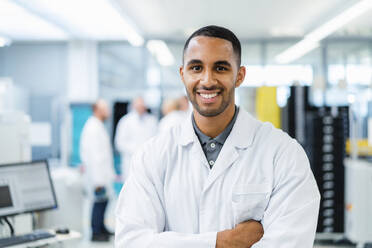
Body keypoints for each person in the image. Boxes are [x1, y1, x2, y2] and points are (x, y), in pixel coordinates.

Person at [115, 25, 320, 248]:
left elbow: (291, 243)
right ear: (183, 74)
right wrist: (222, 242)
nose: (207, 80)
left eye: (220, 68)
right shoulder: (152, 155)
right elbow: (131, 242)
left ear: (239, 75)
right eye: (196, 68)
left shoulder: (283, 154)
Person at [80, 99, 115, 242]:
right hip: (97, 175)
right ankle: (95, 232)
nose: (108, 112)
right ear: (97, 110)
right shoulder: (93, 128)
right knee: (98, 202)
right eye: (105, 109)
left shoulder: (98, 125)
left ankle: (101, 227)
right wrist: (98, 180)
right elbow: (94, 156)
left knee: (104, 201)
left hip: (103, 173)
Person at [114, 97, 158, 181]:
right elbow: (119, 143)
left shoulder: (152, 121)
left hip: (149, 162)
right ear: (133, 106)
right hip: (130, 162)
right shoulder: (125, 121)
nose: (141, 107)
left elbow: (156, 140)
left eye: (142, 105)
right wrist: (136, 149)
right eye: (138, 105)